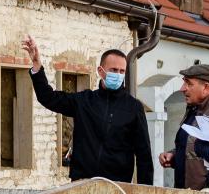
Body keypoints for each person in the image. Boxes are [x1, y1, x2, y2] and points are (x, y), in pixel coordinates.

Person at [23, 37, 153, 185]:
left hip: (117, 187)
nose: (118, 75)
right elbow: (49, 98)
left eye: (122, 71)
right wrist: (37, 67)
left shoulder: (133, 108)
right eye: (113, 70)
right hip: (82, 183)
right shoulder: (85, 101)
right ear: (101, 71)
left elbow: (144, 155)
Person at [159, 62, 209, 189]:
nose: (183, 88)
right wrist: (174, 155)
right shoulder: (194, 109)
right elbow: (192, 148)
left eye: (189, 84)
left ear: (206, 87)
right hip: (185, 193)